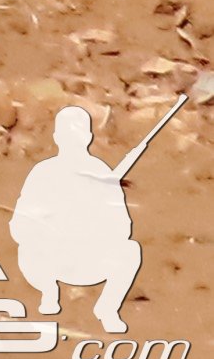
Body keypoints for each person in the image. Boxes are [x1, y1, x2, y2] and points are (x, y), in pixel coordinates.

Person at [10, 105, 144, 333]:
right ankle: (49, 293)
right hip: (49, 258)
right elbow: (20, 224)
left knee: (130, 251)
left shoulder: (100, 173)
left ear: (88, 137)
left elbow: (123, 227)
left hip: (88, 257)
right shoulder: (43, 173)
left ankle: (107, 308)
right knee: (29, 249)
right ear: (57, 137)